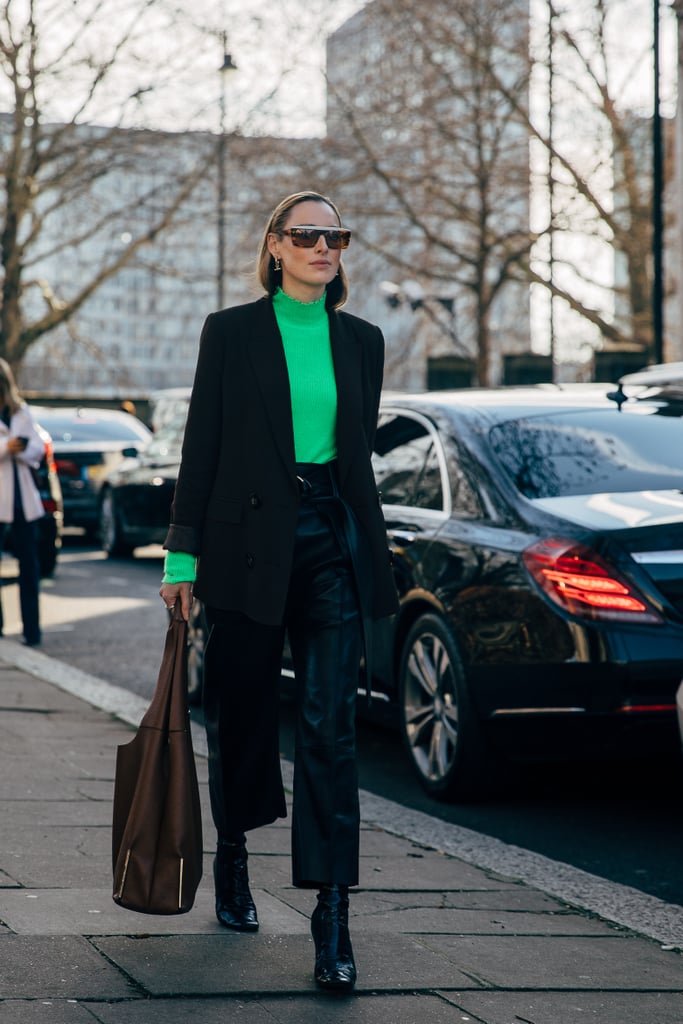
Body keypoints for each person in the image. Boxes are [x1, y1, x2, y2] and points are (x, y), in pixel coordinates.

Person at [159, 190, 398, 992]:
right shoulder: (230, 332)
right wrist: (181, 558)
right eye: (305, 236)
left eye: (334, 236)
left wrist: (377, 558)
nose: (322, 247)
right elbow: (203, 446)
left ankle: (332, 913)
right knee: (244, 712)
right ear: (274, 248)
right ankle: (233, 854)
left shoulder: (362, 340)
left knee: (331, 729)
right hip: (246, 548)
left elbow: (357, 460)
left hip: (332, 539)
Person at [0, 359, 44, 647]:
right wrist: (7, 447)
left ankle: (32, 630)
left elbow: (39, 448)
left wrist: (24, 448)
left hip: (23, 502)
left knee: (29, 566)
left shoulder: (21, 411)